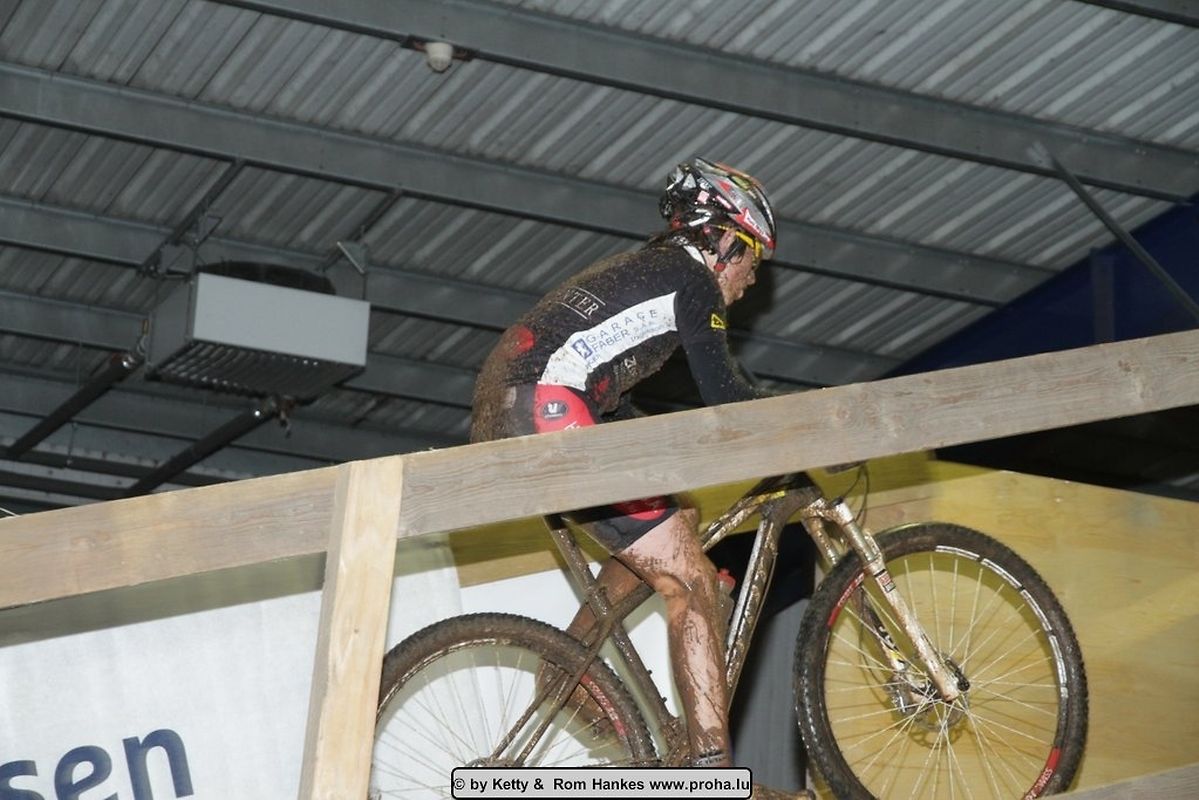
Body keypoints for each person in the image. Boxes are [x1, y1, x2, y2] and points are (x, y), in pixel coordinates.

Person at [471, 158, 811, 800]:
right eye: (753, 261)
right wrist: (807, 418)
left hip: (516, 403)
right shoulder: (692, 282)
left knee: (678, 518)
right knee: (690, 583)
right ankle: (712, 776)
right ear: (725, 241)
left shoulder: (645, 273)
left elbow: (616, 406)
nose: (751, 281)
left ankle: (567, 666)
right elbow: (724, 393)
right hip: (546, 404)